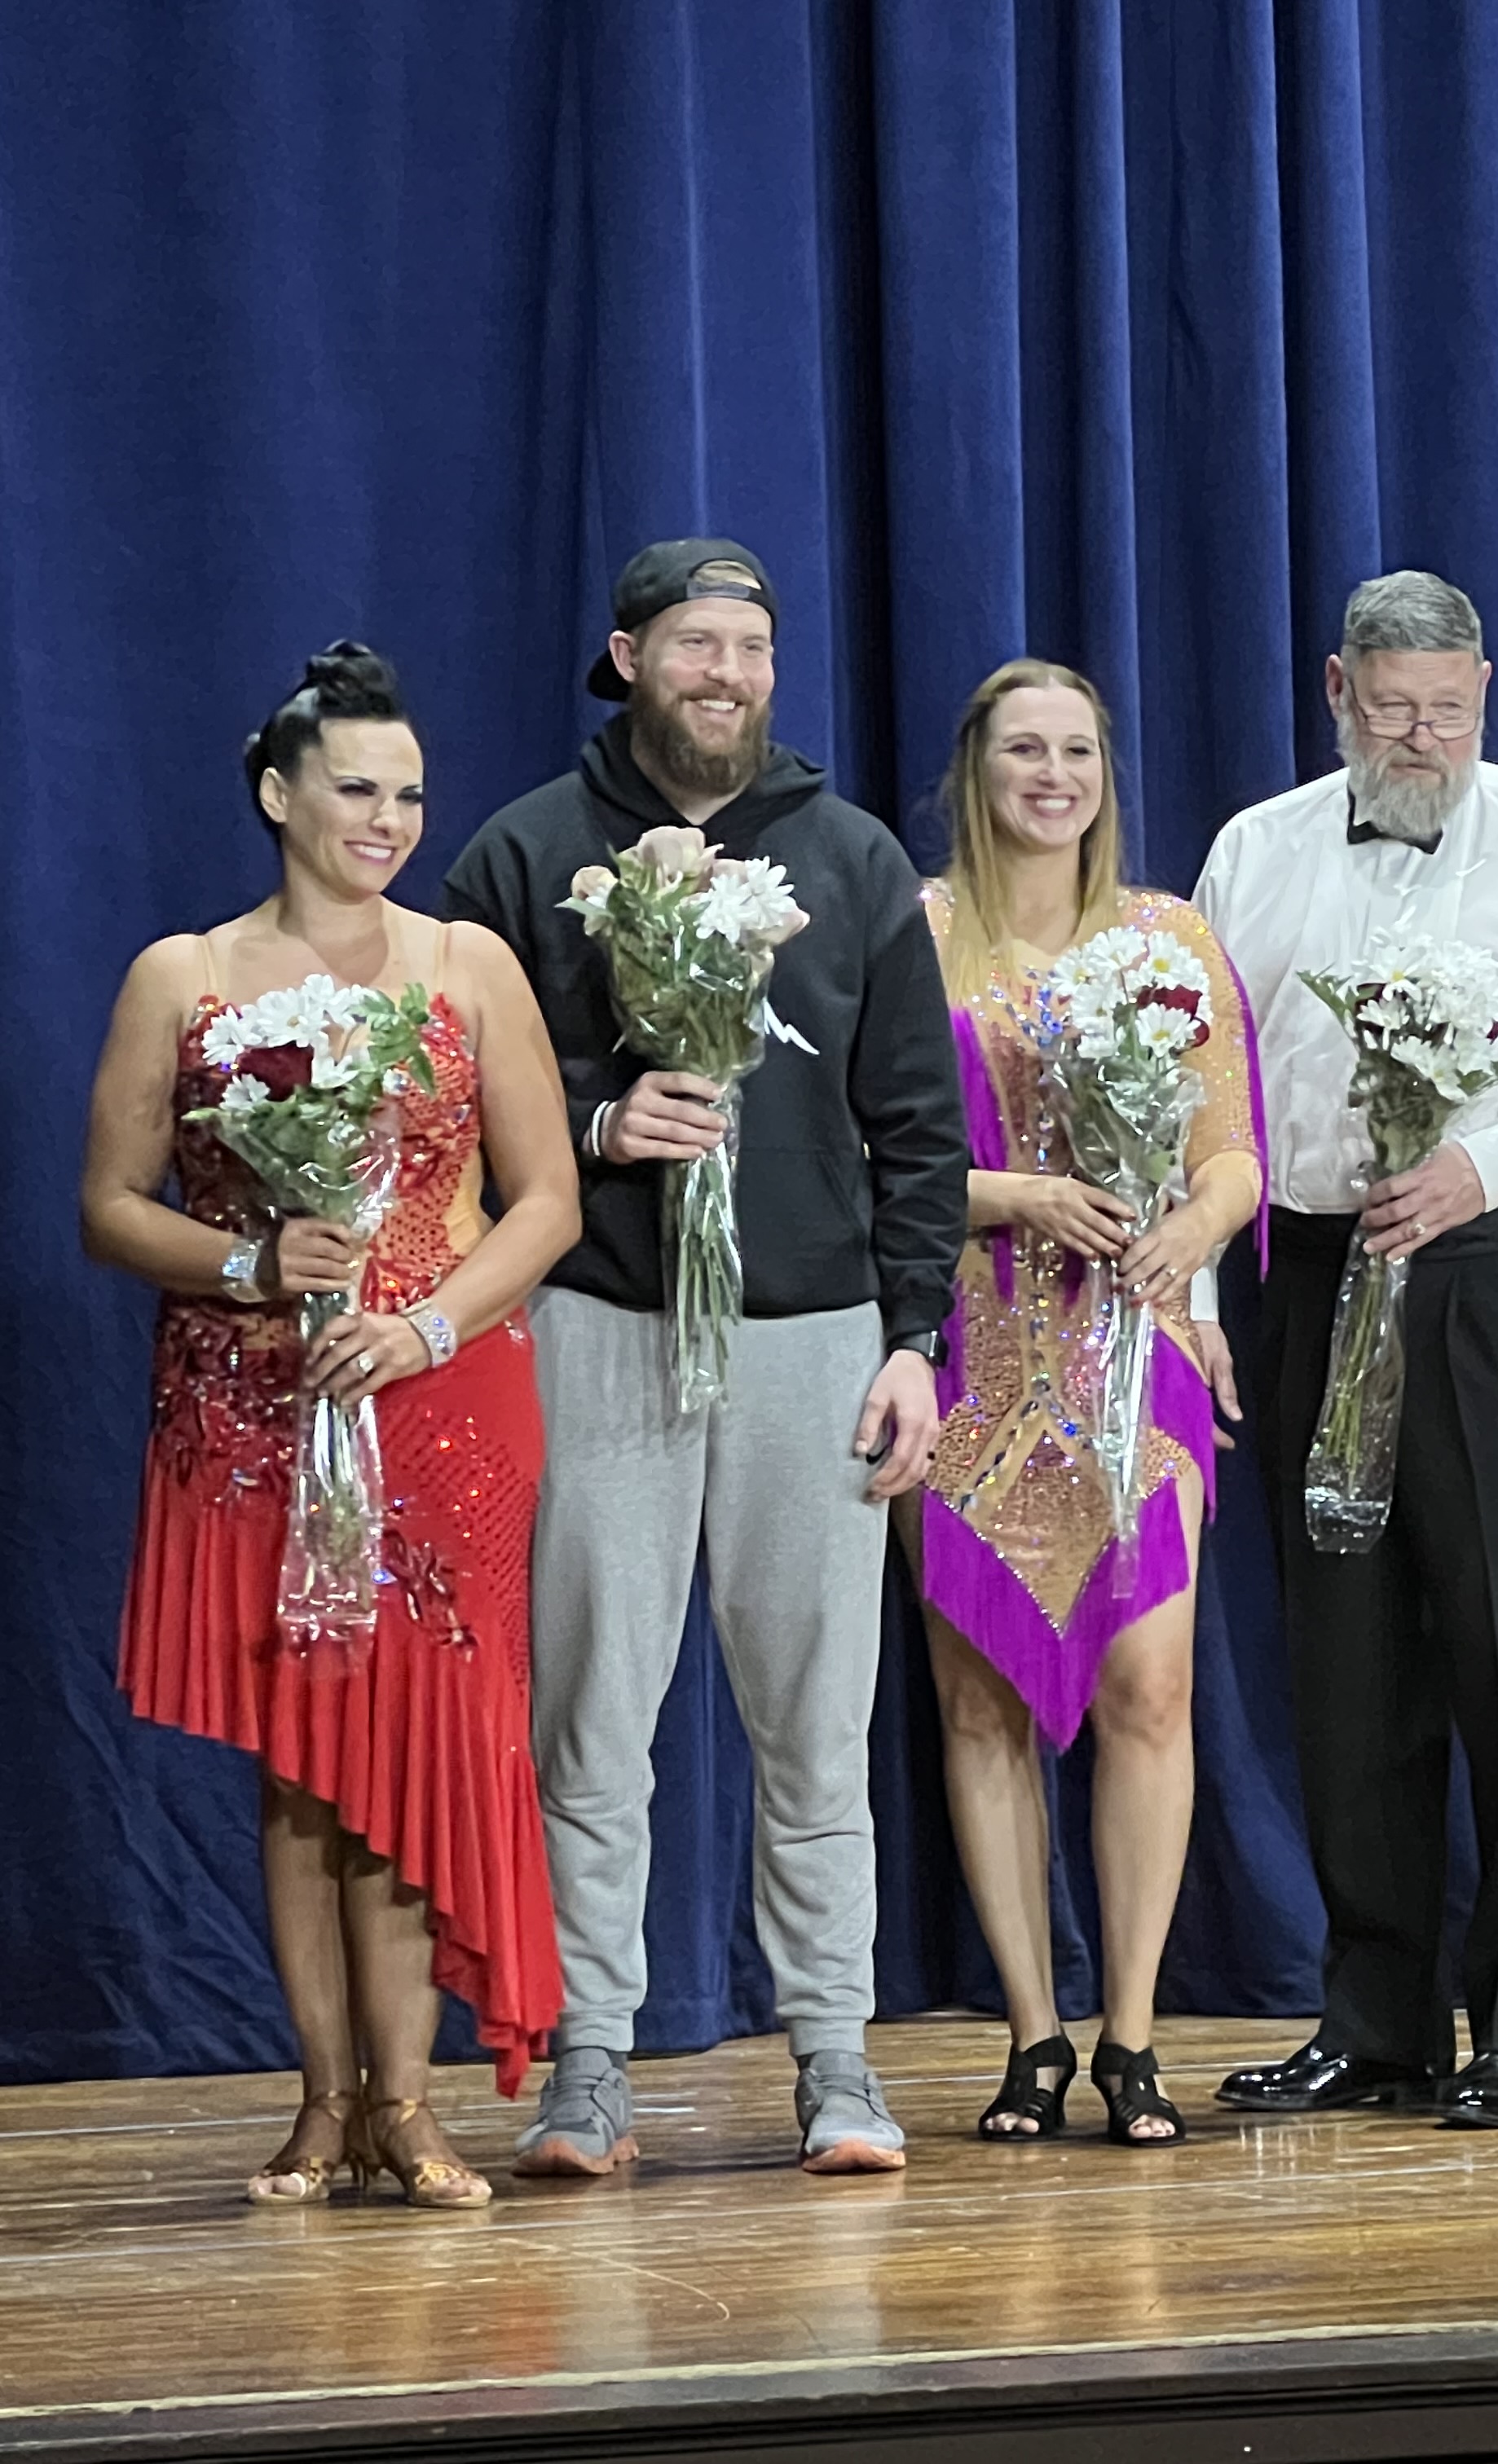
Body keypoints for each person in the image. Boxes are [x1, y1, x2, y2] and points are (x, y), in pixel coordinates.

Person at [442, 540, 968, 2172]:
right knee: (590, 1716)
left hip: (814, 1339)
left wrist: (914, 1338)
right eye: (692, 644)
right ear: (628, 658)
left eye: (748, 646)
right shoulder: (527, 854)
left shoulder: (852, 857)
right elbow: (447, 1097)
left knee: (816, 1726)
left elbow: (920, 1126)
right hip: (598, 1323)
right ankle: (588, 2060)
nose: (723, 673)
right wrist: (599, 1122)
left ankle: (836, 2059)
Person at [82, 644, 579, 2206]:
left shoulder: (467, 965)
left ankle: (411, 2107)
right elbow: (109, 1206)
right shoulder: (183, 974)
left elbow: (546, 1202)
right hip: (252, 1408)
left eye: (410, 794)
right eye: (357, 789)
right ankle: (324, 2103)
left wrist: (427, 1322)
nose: (388, 820)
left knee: (425, 1743)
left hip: (442, 1394)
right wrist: (248, 1264)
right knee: (302, 1764)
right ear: (276, 794)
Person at [1195, 571, 1498, 2129]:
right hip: (1308, 1264)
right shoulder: (1256, 849)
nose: (1421, 739)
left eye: (1448, 712)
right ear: (1338, 690)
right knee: (1345, 1662)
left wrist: (1487, 1161)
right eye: (1393, 709)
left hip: (1488, 1262)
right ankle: (1373, 2020)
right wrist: (1205, 1301)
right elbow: (1214, 1084)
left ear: (1485, 693)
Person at [905, 659, 1262, 2145]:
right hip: (969, 1352)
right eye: (1023, 751)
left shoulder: (1168, 935)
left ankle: (1131, 2034)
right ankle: (1030, 2033)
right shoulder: (919, 933)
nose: (1052, 777)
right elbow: (878, 1158)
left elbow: (1232, 1151)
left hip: (1132, 1347)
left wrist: (1198, 1231)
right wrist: (1016, 1196)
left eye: (1076, 751)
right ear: (976, 770)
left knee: (1149, 1691)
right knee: (978, 1699)